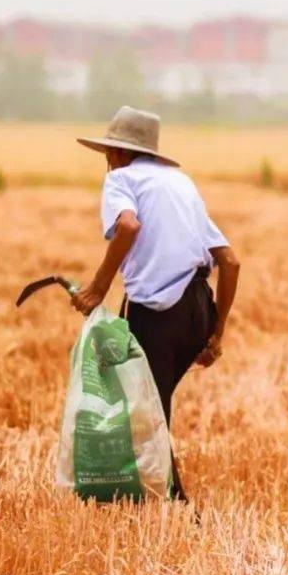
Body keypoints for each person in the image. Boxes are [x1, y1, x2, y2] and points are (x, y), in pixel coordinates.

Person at [71, 105, 240, 503]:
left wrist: (97, 286)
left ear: (118, 153)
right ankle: (151, 498)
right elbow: (230, 261)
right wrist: (216, 334)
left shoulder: (121, 181)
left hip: (157, 317)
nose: (108, 162)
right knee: (150, 408)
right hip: (199, 307)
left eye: (109, 153)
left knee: (147, 415)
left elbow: (128, 226)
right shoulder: (181, 184)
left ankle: (177, 510)